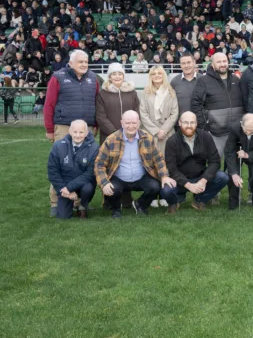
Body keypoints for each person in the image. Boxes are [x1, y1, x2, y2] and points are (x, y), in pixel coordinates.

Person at [43, 49, 99, 217]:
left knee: (85, 165)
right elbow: (49, 104)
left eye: (86, 61)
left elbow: (96, 102)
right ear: (71, 63)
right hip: (64, 126)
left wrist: (95, 123)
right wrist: (49, 129)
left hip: (87, 128)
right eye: (80, 62)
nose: (84, 64)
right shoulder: (58, 77)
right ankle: (55, 202)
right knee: (62, 164)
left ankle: (80, 203)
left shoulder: (93, 78)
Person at [94, 110, 177, 218]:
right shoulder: (111, 140)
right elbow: (99, 164)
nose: (131, 126)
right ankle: (116, 210)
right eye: (128, 123)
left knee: (155, 187)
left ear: (139, 123)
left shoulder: (147, 138)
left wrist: (164, 176)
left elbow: (158, 159)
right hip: (119, 179)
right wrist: (104, 182)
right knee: (111, 189)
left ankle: (141, 205)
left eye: (134, 123)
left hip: (141, 178)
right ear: (122, 123)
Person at [164, 111, 229, 211]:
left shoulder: (206, 137)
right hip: (180, 180)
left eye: (192, 122)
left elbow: (215, 161)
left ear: (196, 123)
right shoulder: (172, 141)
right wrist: (188, 185)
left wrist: (203, 181)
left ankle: (199, 200)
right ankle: (175, 202)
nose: (189, 126)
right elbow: (171, 169)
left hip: (200, 176)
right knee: (166, 191)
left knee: (222, 177)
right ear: (180, 123)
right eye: (186, 122)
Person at [191, 52, 243, 156]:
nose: (222, 64)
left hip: (236, 132)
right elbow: (195, 104)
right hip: (216, 133)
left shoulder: (235, 80)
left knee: (234, 166)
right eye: (218, 62)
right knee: (215, 165)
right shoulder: (203, 81)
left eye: (224, 61)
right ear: (213, 65)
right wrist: (204, 127)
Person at [47, 120, 99, 219]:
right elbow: (52, 171)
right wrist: (63, 189)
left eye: (81, 132)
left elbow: (90, 173)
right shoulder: (58, 146)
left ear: (87, 132)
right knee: (63, 217)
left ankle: (82, 206)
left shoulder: (94, 148)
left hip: (83, 185)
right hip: (65, 186)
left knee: (88, 188)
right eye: (75, 132)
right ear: (70, 131)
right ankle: (66, 205)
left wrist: (69, 188)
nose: (78, 135)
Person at [225, 113, 253, 209]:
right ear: (241, 124)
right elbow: (229, 151)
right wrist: (234, 173)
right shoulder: (234, 127)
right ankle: (234, 201)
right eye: (245, 130)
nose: (248, 133)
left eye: (251, 131)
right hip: (237, 152)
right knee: (232, 175)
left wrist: (248, 155)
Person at [139, 65, 179, 155]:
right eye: (153, 74)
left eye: (159, 73)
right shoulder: (145, 92)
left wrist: (163, 130)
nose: (156, 75)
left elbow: (174, 113)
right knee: (150, 161)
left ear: (163, 75)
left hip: (167, 133)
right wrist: (156, 131)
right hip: (150, 132)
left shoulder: (171, 91)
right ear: (150, 77)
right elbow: (143, 114)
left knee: (167, 160)